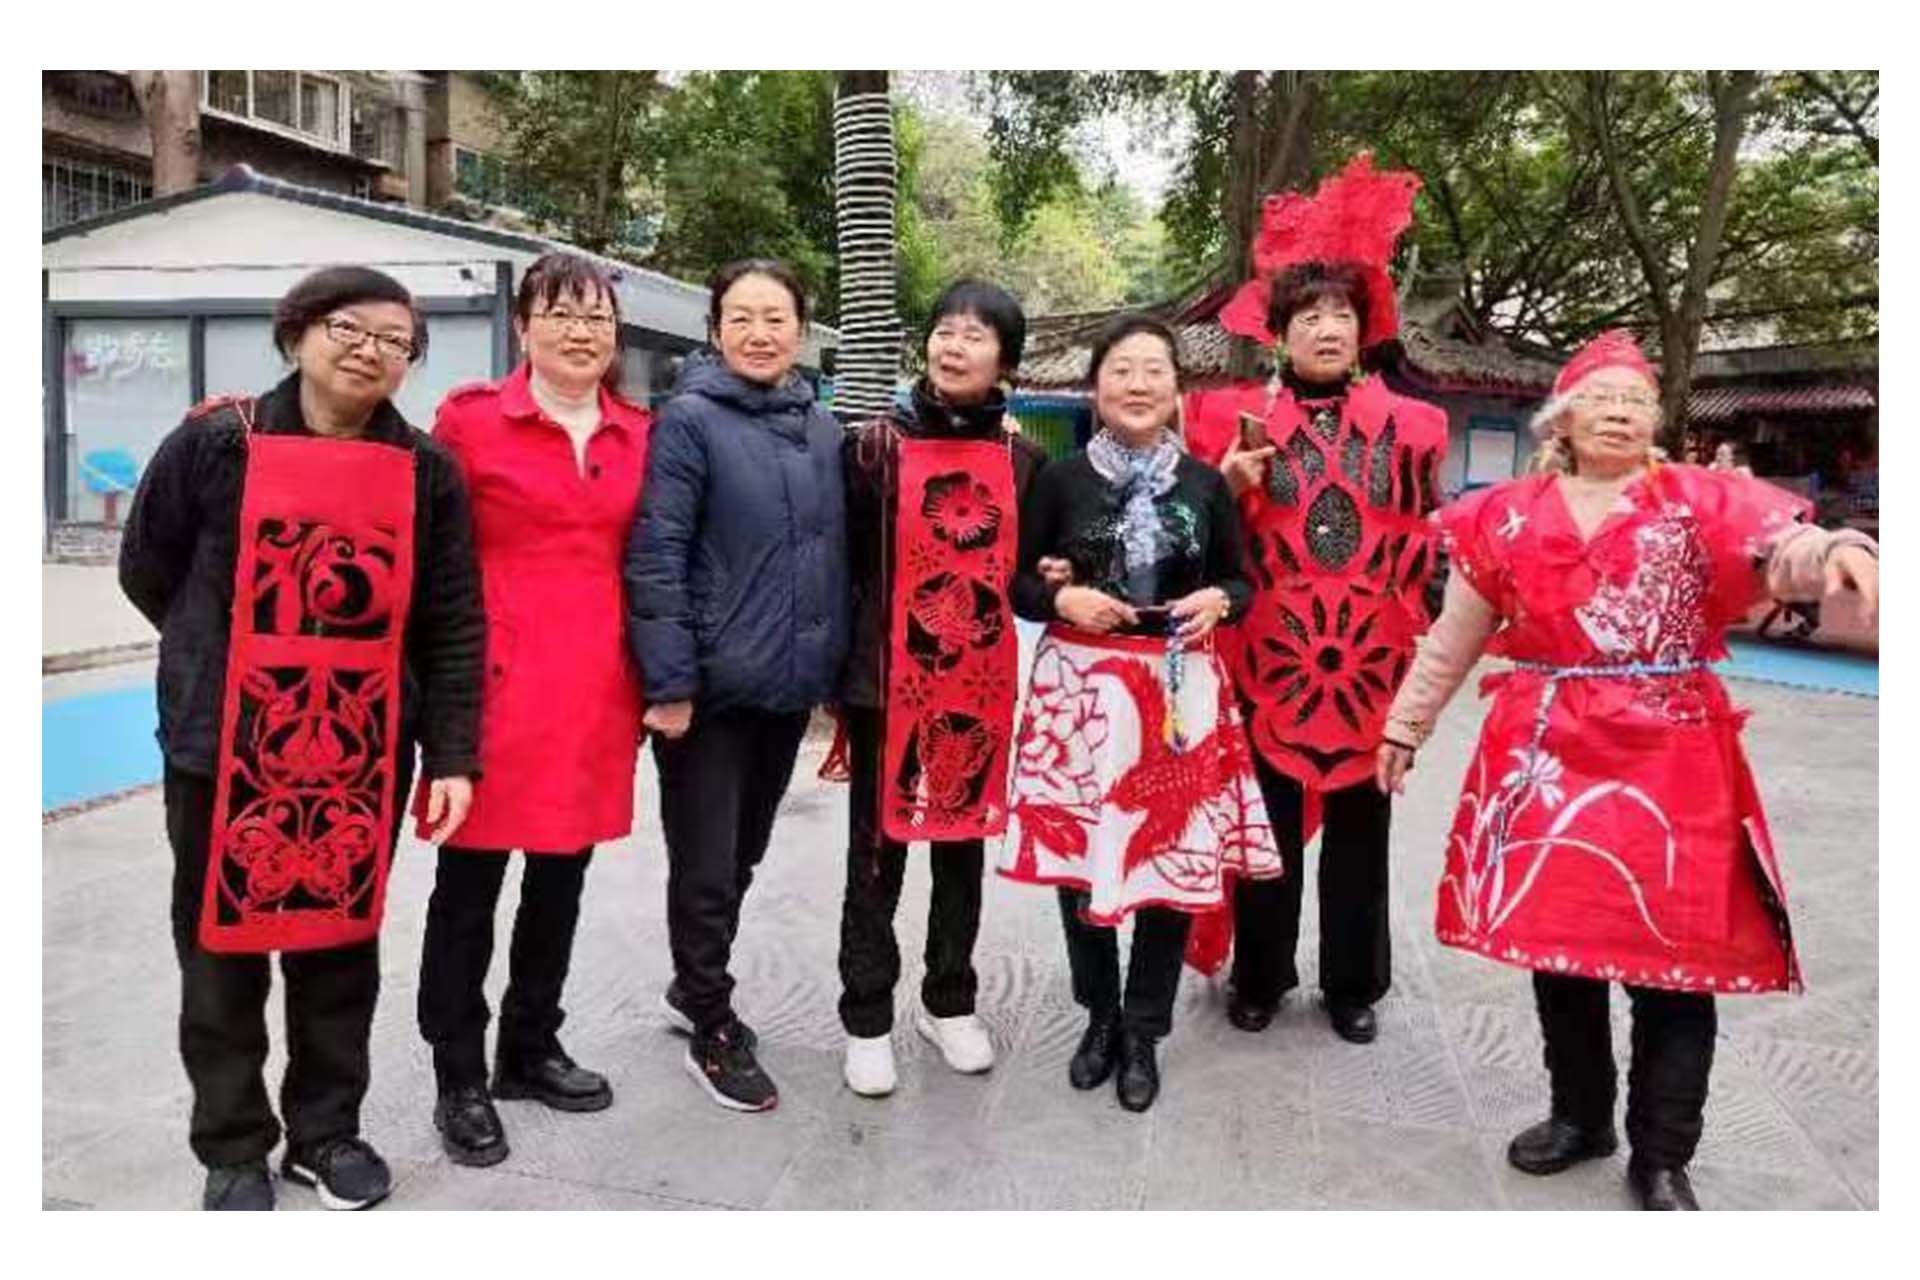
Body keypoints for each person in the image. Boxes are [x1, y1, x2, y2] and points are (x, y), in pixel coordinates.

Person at [1377, 330, 1879, 1210]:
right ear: (1562, 419)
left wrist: (1840, 548)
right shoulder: (1504, 515)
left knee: (1673, 964)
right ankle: (1581, 1117)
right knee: (1560, 954)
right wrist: (1405, 725)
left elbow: (1782, 554)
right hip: (1546, 755)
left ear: (1656, 419)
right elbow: (1456, 634)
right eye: (1600, 399)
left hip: (1672, 759)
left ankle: (1663, 1152)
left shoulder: (1699, 501)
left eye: (1635, 401)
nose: (1619, 412)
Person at [118, 267, 484, 1210]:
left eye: (395, 341)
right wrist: (219, 657)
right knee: (219, 949)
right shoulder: (217, 442)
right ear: (298, 334)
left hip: (360, 748)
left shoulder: (426, 471)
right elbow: (148, 567)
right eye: (348, 328)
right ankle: (232, 1142)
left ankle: (326, 1133)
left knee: (339, 947)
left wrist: (451, 754)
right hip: (222, 745)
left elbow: (451, 619)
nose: (369, 350)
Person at [1183, 154, 1448, 1045]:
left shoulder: (1416, 428)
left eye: (1341, 313)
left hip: (1371, 663)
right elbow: (1199, 541)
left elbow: (1425, 541)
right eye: (1308, 316)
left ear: (1366, 328)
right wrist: (1225, 486)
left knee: (1363, 835)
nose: (1327, 328)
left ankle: (1352, 984)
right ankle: (1260, 975)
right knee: (1265, 827)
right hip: (1267, 662)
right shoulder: (1227, 422)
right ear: (1279, 333)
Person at [1000, 313, 1280, 1113]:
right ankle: (1099, 1017)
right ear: (1095, 386)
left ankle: (1144, 1032)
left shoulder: (1204, 484)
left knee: (1169, 864)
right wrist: (1063, 598)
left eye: (1154, 369)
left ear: (1176, 388)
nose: (1137, 384)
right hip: (1081, 693)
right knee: (1081, 861)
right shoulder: (1059, 480)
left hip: (1176, 692)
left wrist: (1217, 601)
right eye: (1121, 369)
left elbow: (1240, 579)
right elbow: (1020, 583)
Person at [414, 253, 651, 1166]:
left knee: (561, 879)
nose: (581, 332)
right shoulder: (470, 421)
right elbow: (429, 552)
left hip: (595, 692)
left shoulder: (639, 434)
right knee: (467, 889)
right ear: (523, 327)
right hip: (492, 688)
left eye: (597, 318)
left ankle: (529, 1046)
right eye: (560, 314)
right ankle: (458, 1075)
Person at [624, 259, 848, 1112]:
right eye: (741, 318)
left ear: (801, 331)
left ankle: (693, 982)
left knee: (743, 852)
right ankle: (710, 1020)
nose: (759, 333)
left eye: (776, 317)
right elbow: (657, 554)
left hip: (785, 688)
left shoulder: (820, 428)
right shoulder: (687, 421)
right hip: (709, 694)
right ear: (715, 330)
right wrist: (670, 682)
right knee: (708, 863)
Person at [833, 280, 1049, 1096]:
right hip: (886, 684)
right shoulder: (871, 448)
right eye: (945, 331)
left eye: (976, 335)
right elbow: (844, 565)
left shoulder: (1023, 462)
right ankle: (866, 1016)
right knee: (876, 853)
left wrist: (1057, 578)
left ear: (1006, 362)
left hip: (976, 682)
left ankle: (948, 1001)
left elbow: (1027, 579)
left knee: (962, 844)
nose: (955, 346)